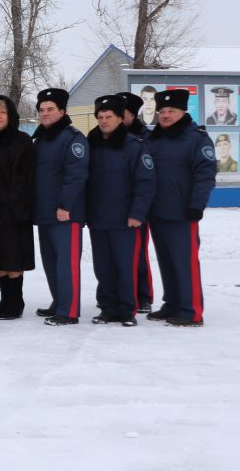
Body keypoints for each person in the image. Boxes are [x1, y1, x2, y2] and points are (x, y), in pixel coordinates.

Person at [145, 89, 216, 326]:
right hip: (157, 212)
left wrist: (197, 206)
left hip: (182, 213)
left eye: (171, 111)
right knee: (166, 261)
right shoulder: (153, 139)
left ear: (183, 111)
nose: (165, 115)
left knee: (185, 263)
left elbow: (205, 175)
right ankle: (173, 303)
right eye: (162, 111)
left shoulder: (196, 138)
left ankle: (191, 311)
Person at [86, 95, 156, 327]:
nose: (104, 121)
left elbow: (145, 183)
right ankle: (107, 308)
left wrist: (137, 214)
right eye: (100, 117)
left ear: (120, 119)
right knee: (103, 267)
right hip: (98, 218)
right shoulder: (91, 144)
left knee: (125, 266)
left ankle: (127, 310)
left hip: (125, 220)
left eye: (109, 117)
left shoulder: (134, 146)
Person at [31, 88, 89, 326]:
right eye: (42, 110)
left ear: (62, 111)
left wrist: (65, 205)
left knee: (66, 264)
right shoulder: (41, 139)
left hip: (65, 214)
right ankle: (59, 302)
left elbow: (76, 175)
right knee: (51, 262)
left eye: (50, 109)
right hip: (45, 213)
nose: (45, 114)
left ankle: (69, 310)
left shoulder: (73, 139)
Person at [0, 95, 36, 319]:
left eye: (2, 113)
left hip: (14, 210)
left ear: (10, 116)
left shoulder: (22, 140)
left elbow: (26, 176)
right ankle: (4, 302)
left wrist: (17, 205)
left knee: (14, 257)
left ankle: (16, 302)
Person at [118, 90, 154, 311]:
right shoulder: (106, 136)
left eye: (122, 113)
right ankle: (121, 293)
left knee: (138, 253)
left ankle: (144, 296)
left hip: (137, 206)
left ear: (132, 115)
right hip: (113, 206)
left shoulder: (145, 139)